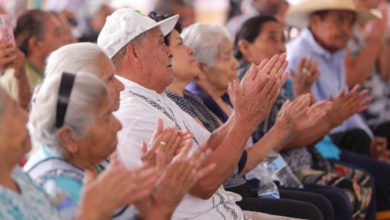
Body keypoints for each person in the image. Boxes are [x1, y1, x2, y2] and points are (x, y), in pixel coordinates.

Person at [97, 8, 293, 220]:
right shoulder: (133, 111)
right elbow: (204, 184)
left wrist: (242, 111)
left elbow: (207, 147)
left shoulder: (155, 96)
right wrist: (246, 119)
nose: (169, 51)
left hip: (227, 212)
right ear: (135, 54)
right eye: (161, 43)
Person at [150, 12, 335, 220]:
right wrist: (275, 125)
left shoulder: (192, 99)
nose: (236, 64)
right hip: (223, 197)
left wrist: (266, 120)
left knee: (325, 202)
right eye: (227, 56)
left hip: (237, 189)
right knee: (318, 207)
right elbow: (227, 166)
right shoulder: (176, 102)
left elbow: (217, 147)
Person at [0, 84, 182, 220]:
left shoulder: (14, 174)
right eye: (106, 118)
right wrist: (160, 210)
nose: (25, 118)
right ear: (68, 138)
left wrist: (150, 194)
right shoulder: (56, 181)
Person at [285, 0, 390, 213]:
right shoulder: (299, 56)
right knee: (378, 176)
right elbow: (314, 119)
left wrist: (370, 142)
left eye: (350, 22)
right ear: (316, 21)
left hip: (340, 138)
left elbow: (348, 107)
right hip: (320, 142)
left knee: (378, 164)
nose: (346, 30)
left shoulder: (337, 51)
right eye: (340, 20)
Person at [1, 10, 65, 109]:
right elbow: (25, 119)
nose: (65, 40)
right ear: (35, 44)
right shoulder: (16, 77)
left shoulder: (30, 72)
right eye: (57, 34)